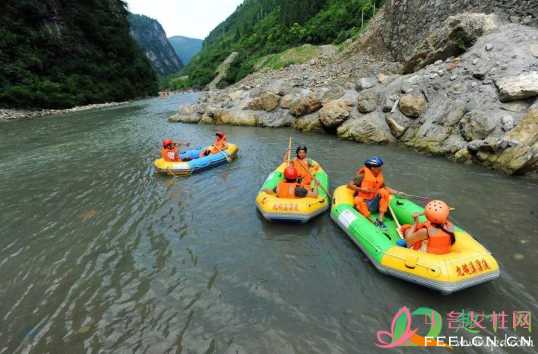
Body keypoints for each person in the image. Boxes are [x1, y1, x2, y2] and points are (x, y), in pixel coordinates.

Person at [347, 156, 401, 228]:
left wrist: (397, 192)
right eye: (379, 167)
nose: (381, 168)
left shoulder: (378, 176)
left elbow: (384, 187)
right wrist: (362, 190)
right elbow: (349, 185)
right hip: (364, 202)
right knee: (358, 200)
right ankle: (368, 219)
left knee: (384, 192)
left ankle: (380, 219)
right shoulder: (362, 176)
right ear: (372, 168)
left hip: (374, 201)